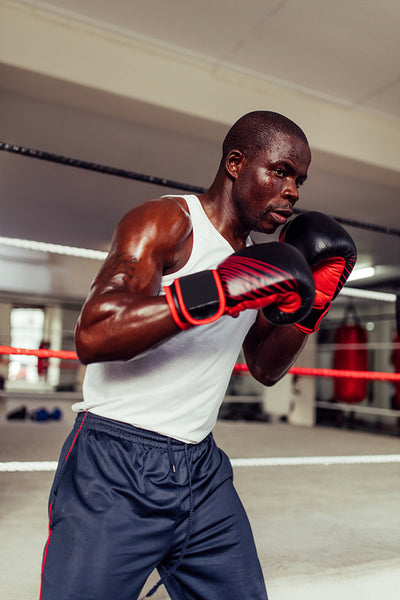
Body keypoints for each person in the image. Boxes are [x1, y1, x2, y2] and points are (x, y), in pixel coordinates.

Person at [39, 111, 356, 600]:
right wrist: (215, 289)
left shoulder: (264, 265)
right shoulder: (167, 222)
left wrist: (314, 302)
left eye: (299, 180)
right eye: (280, 171)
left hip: (201, 470)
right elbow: (93, 335)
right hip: (114, 462)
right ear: (235, 163)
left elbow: (267, 368)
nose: (292, 191)